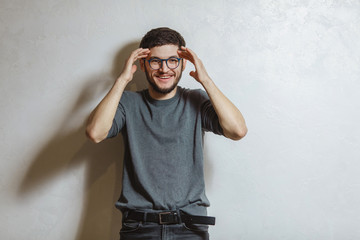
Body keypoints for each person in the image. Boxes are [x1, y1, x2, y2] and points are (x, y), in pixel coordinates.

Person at [85, 27, 247, 240]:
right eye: (155, 61)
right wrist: (122, 80)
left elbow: (238, 130)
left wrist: (205, 79)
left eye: (172, 60)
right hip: (139, 226)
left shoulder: (196, 100)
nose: (164, 69)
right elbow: (95, 133)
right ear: (143, 64)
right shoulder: (127, 102)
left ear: (183, 63)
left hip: (190, 227)